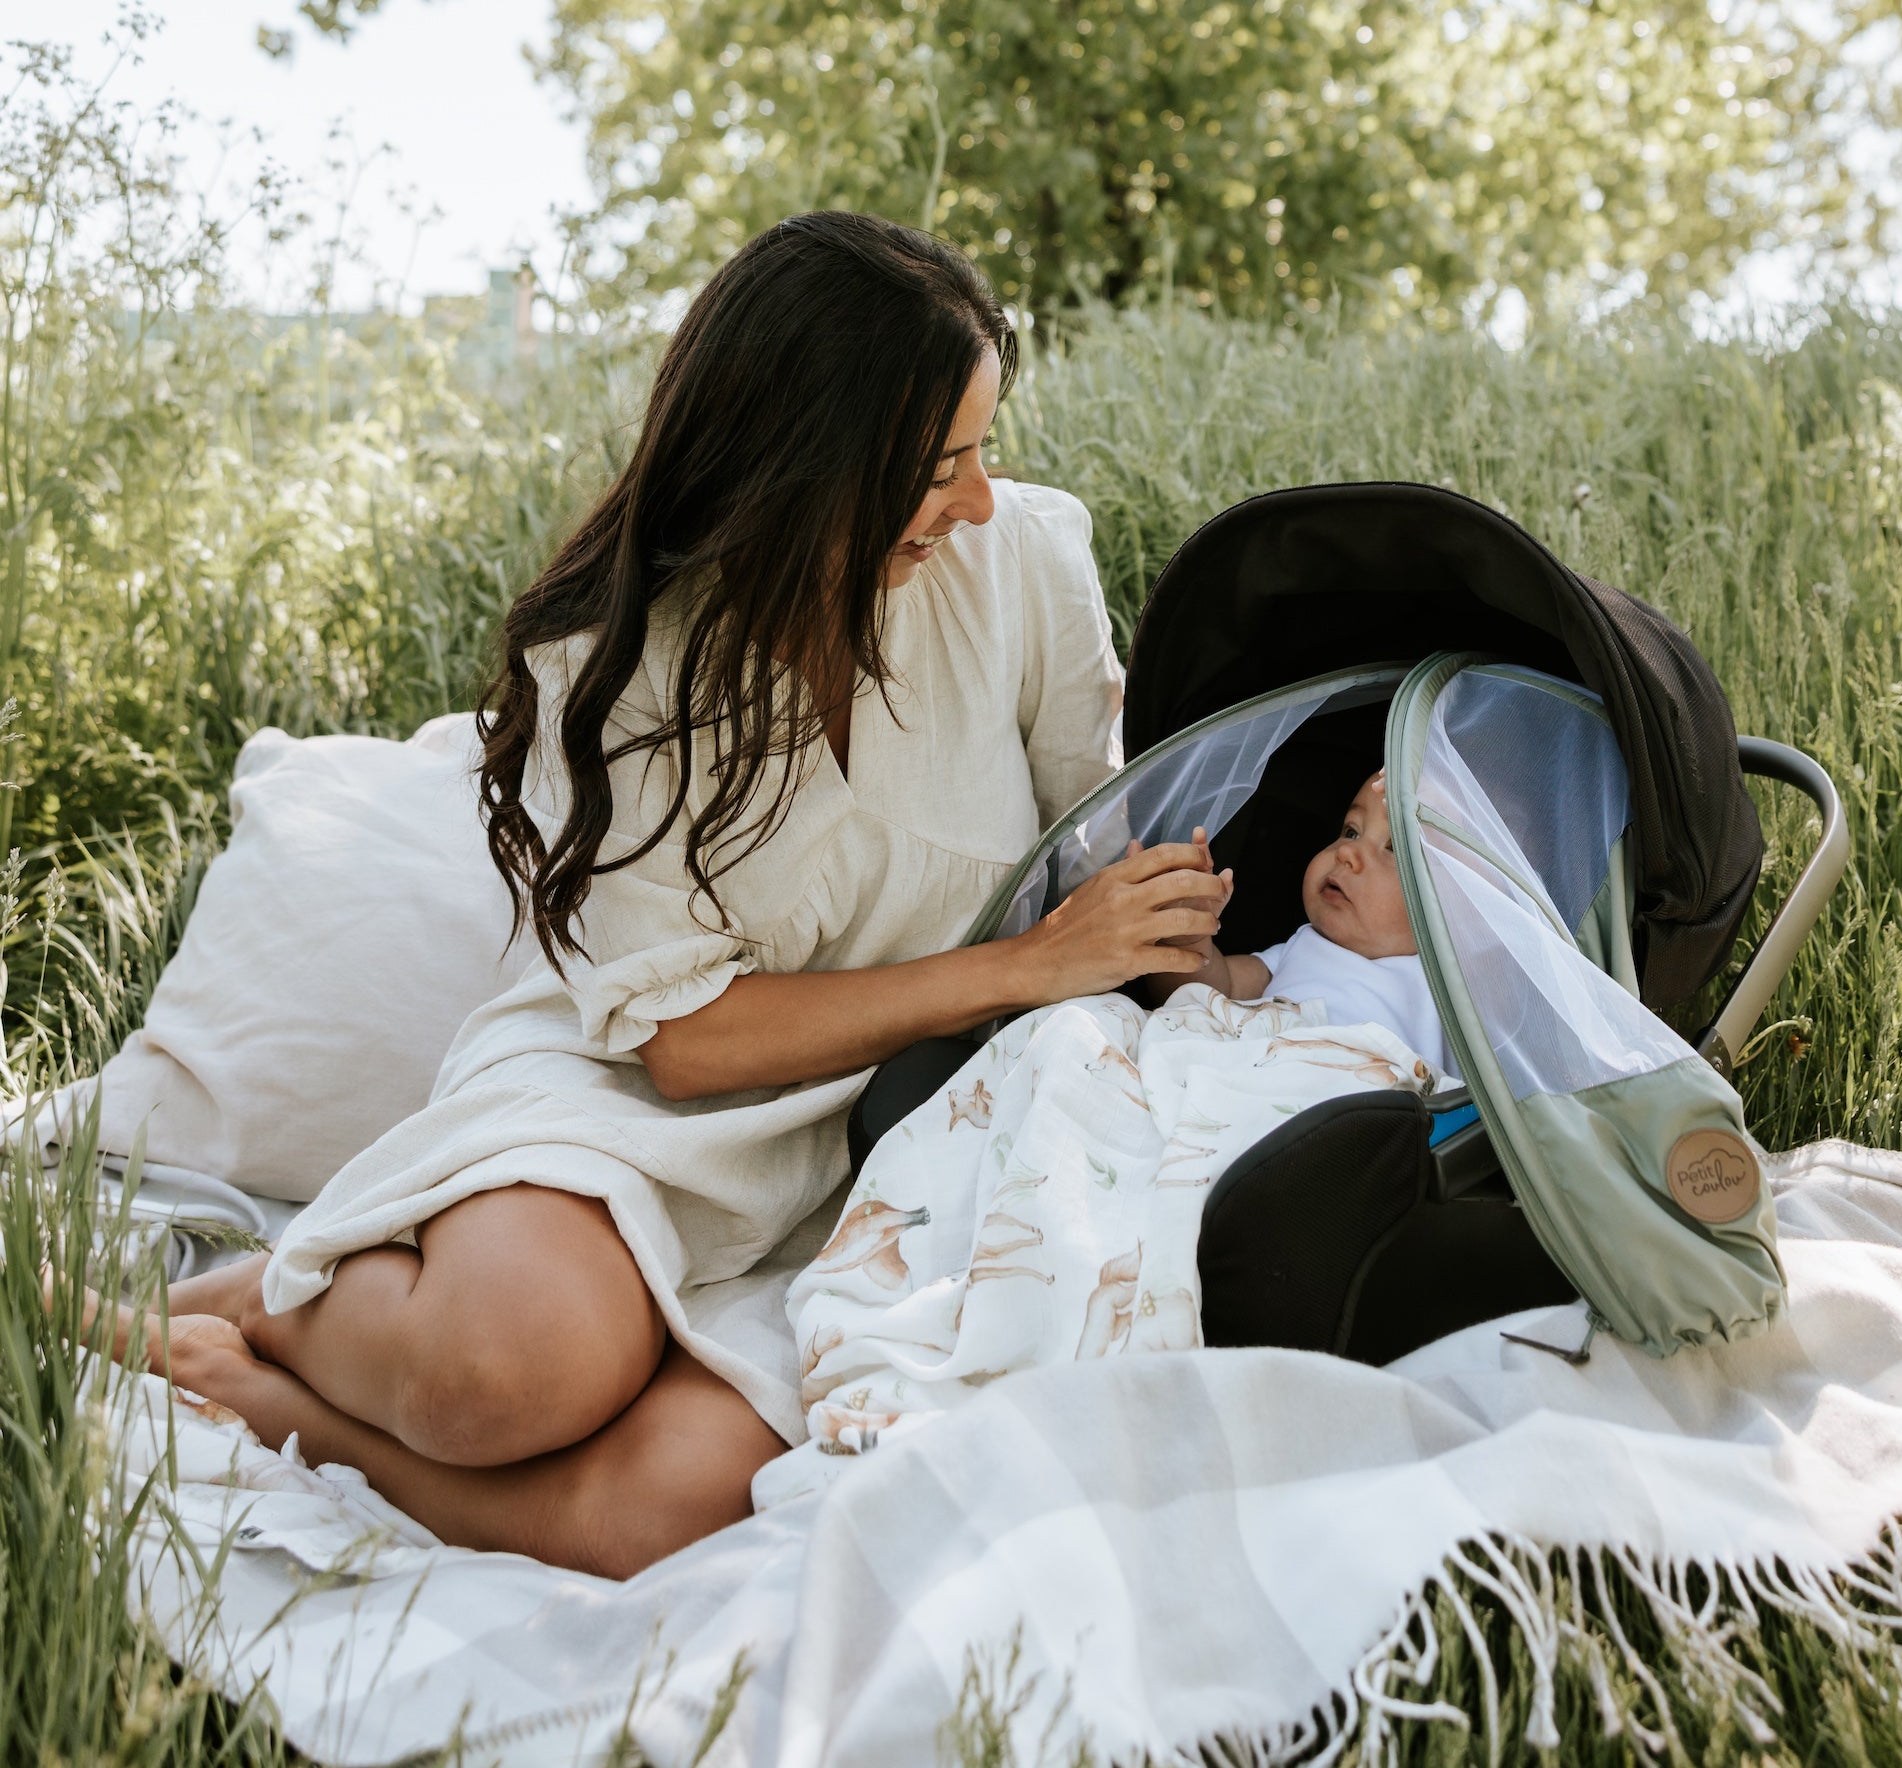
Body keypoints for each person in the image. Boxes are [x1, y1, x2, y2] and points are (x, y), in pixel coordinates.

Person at [128, 213, 1229, 1577]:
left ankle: (264, 1385)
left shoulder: (1026, 564)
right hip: (634, 1099)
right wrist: (1020, 968)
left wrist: (1216, 975)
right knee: (502, 1380)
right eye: (941, 467)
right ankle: (287, 1298)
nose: (981, 499)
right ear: (805, 470)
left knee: (679, 1506)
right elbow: (688, 1044)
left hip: (892, 1133)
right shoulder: (616, 656)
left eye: (983, 450)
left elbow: (1104, 842)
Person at [1134, 772, 1450, 1076]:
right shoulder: (1303, 946)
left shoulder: (1451, 980)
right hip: (1262, 1075)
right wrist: (1185, 937)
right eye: (1350, 831)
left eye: (1394, 848)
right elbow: (1213, 993)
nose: (1347, 852)